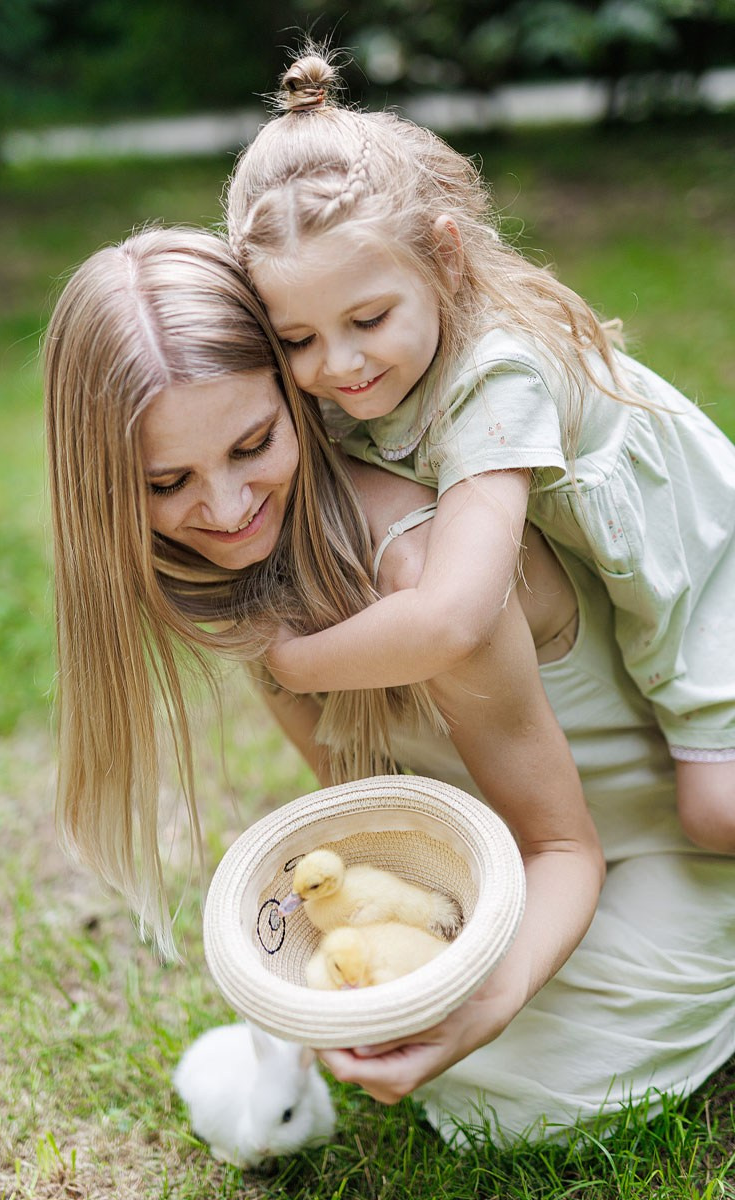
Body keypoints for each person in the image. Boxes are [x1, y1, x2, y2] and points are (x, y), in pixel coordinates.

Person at [43, 225, 735, 1144]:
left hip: (639, 853)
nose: (224, 507)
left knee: (511, 1098)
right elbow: (370, 798)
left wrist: (483, 1005)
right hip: (509, 874)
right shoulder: (244, 571)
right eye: (167, 481)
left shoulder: (423, 566)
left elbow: (567, 850)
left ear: (298, 398)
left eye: (253, 444)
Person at [225, 47, 735, 855]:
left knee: (716, 812)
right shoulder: (349, 379)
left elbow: (457, 614)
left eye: (367, 320)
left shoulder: (501, 372)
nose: (340, 364)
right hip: (626, 602)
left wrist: (292, 666)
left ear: (447, 258)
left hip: (704, 575)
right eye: (297, 337)